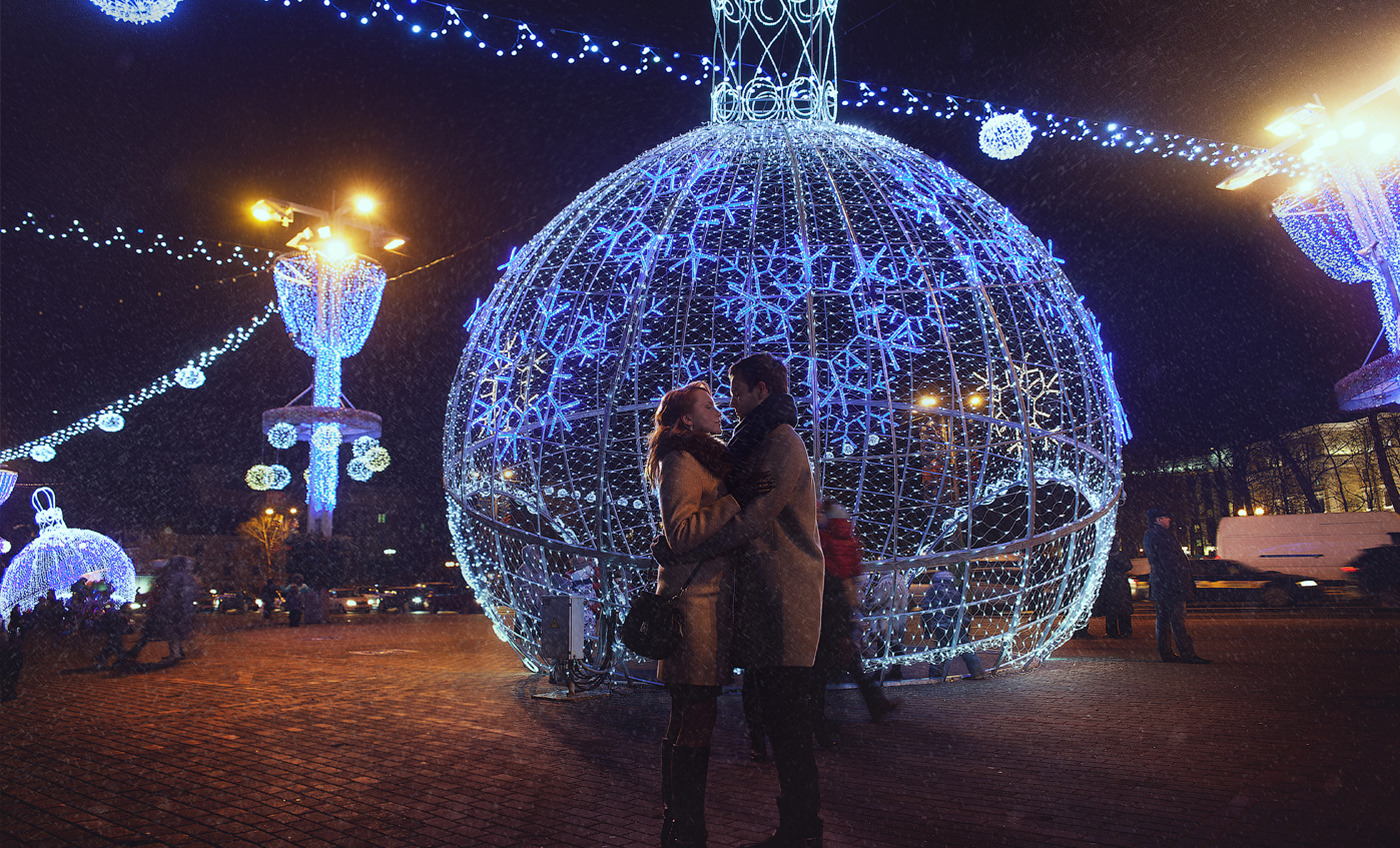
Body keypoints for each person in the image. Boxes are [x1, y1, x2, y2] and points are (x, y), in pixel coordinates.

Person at [658, 353, 826, 848]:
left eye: (734, 391)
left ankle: (801, 832)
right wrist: (677, 543)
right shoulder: (742, 446)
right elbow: (717, 513)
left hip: (786, 600)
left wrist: (677, 546)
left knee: (790, 728)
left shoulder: (780, 443)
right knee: (774, 723)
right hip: (761, 603)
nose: (730, 405)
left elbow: (753, 519)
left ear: (760, 390)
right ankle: (698, 828)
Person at [646, 380, 748, 847]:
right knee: (697, 711)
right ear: (686, 419)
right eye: (709, 406)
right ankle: (686, 824)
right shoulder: (680, 459)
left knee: (687, 713)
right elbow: (682, 534)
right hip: (695, 605)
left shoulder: (697, 456)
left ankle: (679, 822)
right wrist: (732, 502)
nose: (720, 411)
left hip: (704, 599)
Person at [810, 499, 896, 748]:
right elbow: (848, 569)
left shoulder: (824, 537)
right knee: (844, 662)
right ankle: (871, 704)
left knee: (822, 670)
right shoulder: (842, 538)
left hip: (828, 603)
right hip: (838, 603)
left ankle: (819, 721)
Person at [1142, 509, 1210, 664]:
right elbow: (1170, 562)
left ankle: (1167, 653)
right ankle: (1187, 653)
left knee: (1163, 620)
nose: (1169, 519)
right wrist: (1179, 582)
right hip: (1170, 585)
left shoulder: (1151, 535)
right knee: (1177, 620)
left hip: (1161, 584)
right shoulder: (1161, 536)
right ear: (1158, 519)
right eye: (1166, 517)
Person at [127, 556, 199, 663]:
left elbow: (168, 594)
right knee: (172, 631)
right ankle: (177, 652)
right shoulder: (186, 577)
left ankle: (175, 653)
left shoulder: (172, 577)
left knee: (163, 631)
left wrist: (162, 605)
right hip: (179, 609)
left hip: (170, 609)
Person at [921, 570, 988, 680]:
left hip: (941, 625)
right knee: (965, 649)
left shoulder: (934, 591)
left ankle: (936, 675)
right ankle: (978, 671)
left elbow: (926, 610)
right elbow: (962, 610)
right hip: (956, 626)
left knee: (941, 650)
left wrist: (927, 629)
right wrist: (965, 625)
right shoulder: (955, 592)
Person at [1100, 540, 1134, 639]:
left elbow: (1128, 566)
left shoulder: (1109, 556)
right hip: (1117, 583)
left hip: (1114, 584)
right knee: (1117, 610)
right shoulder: (1113, 556)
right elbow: (1128, 566)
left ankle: (1118, 632)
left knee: (1116, 609)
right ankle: (1120, 631)